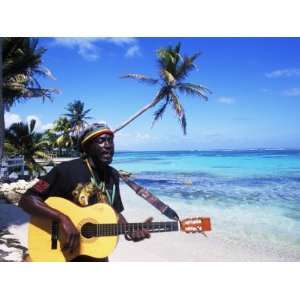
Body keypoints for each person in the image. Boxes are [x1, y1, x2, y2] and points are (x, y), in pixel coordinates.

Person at [19, 123, 152, 262]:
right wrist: (63, 219)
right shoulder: (65, 170)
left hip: (95, 254)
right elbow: (27, 199)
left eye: (110, 140)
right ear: (87, 146)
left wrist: (130, 230)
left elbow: (115, 213)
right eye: (101, 141)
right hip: (61, 252)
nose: (108, 145)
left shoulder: (113, 175)